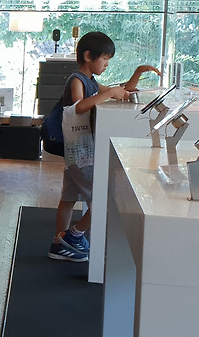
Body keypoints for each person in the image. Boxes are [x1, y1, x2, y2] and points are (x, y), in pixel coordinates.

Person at [49, 31, 160, 262]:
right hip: (82, 153)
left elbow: (125, 91)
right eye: (105, 59)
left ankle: (59, 244)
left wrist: (138, 73)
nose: (107, 64)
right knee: (102, 198)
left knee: (68, 198)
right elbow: (79, 107)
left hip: (76, 153)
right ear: (88, 56)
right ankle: (74, 236)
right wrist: (108, 93)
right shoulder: (77, 80)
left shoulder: (90, 81)